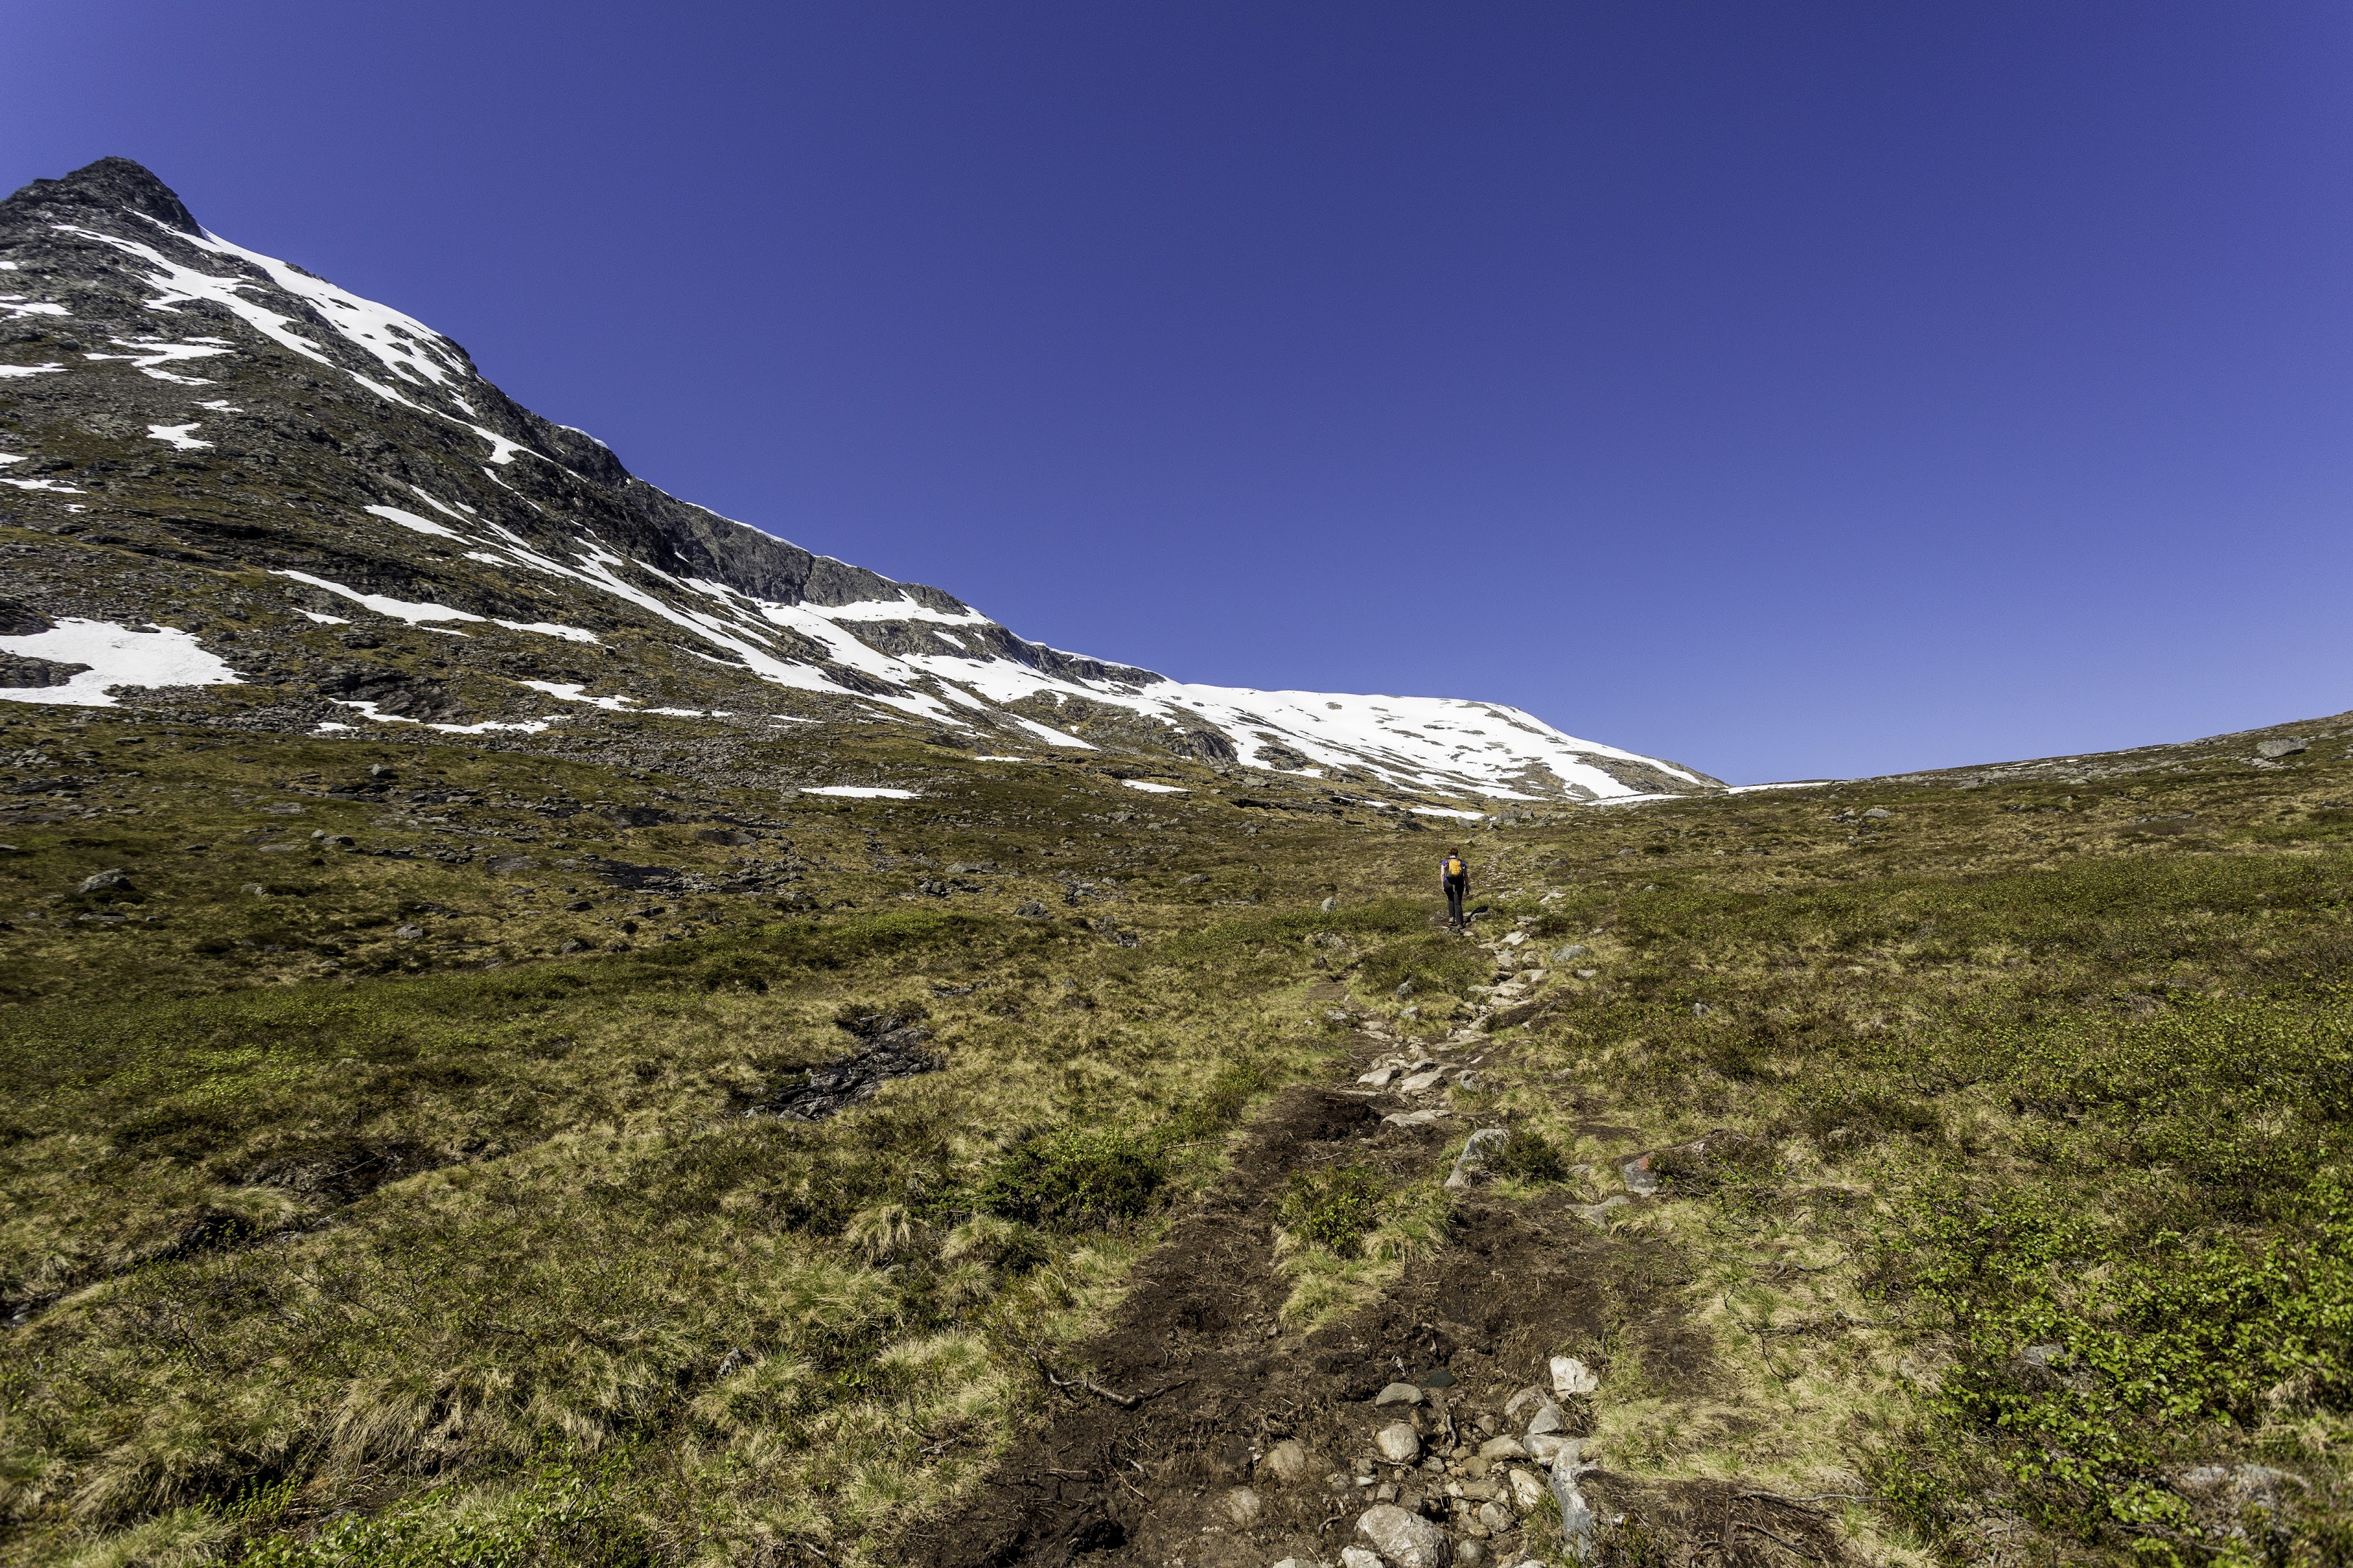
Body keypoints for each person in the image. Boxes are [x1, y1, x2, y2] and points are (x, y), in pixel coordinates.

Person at [1440, 849, 1468, 931]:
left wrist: (1443, 886)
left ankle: (1452, 918)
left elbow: (1442, 874)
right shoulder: (1462, 862)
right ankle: (1460, 923)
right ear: (1457, 854)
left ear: (1450, 854)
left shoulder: (1445, 862)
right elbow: (1465, 876)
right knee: (1458, 902)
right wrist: (1467, 886)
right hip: (1459, 883)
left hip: (1448, 882)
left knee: (1450, 899)